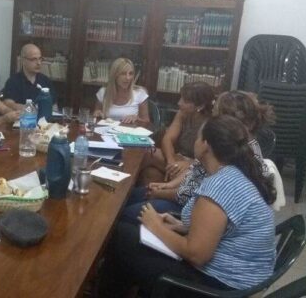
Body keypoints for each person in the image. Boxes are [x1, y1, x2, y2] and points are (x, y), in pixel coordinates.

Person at [99, 115, 276, 297]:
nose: (195, 142)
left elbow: (197, 255)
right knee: (127, 234)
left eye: (198, 137)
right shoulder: (232, 172)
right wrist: (181, 226)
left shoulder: (221, 184)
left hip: (221, 287)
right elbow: (223, 228)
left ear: (206, 145)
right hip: (235, 275)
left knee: (120, 236)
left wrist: (156, 226)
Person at [121, 90, 275, 224]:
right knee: (126, 197)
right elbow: (196, 169)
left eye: (214, 113)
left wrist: (161, 192)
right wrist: (168, 185)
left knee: (123, 214)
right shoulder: (225, 140)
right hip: (184, 198)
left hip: (188, 210)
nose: (211, 117)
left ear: (227, 119)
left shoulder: (232, 151)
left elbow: (193, 196)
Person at [138, 81, 214, 185]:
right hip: (177, 158)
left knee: (149, 153)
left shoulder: (211, 124)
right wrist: (171, 161)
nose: (179, 103)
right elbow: (167, 139)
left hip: (197, 166)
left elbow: (212, 161)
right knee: (151, 173)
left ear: (200, 106)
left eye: (185, 101)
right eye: (181, 98)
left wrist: (188, 163)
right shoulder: (182, 113)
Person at [92, 58, 149, 124]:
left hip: (130, 132)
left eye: (130, 73)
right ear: (115, 75)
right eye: (123, 74)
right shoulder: (103, 92)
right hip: (108, 132)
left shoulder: (140, 93)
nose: (128, 78)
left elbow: (146, 122)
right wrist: (97, 114)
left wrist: (136, 118)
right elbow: (96, 116)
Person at [0, 44, 55, 111]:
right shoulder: (13, 81)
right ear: (23, 60)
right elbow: (8, 104)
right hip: (21, 119)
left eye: (40, 59)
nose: (39, 63)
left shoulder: (45, 80)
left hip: (44, 119)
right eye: (34, 59)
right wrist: (31, 108)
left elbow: (54, 104)